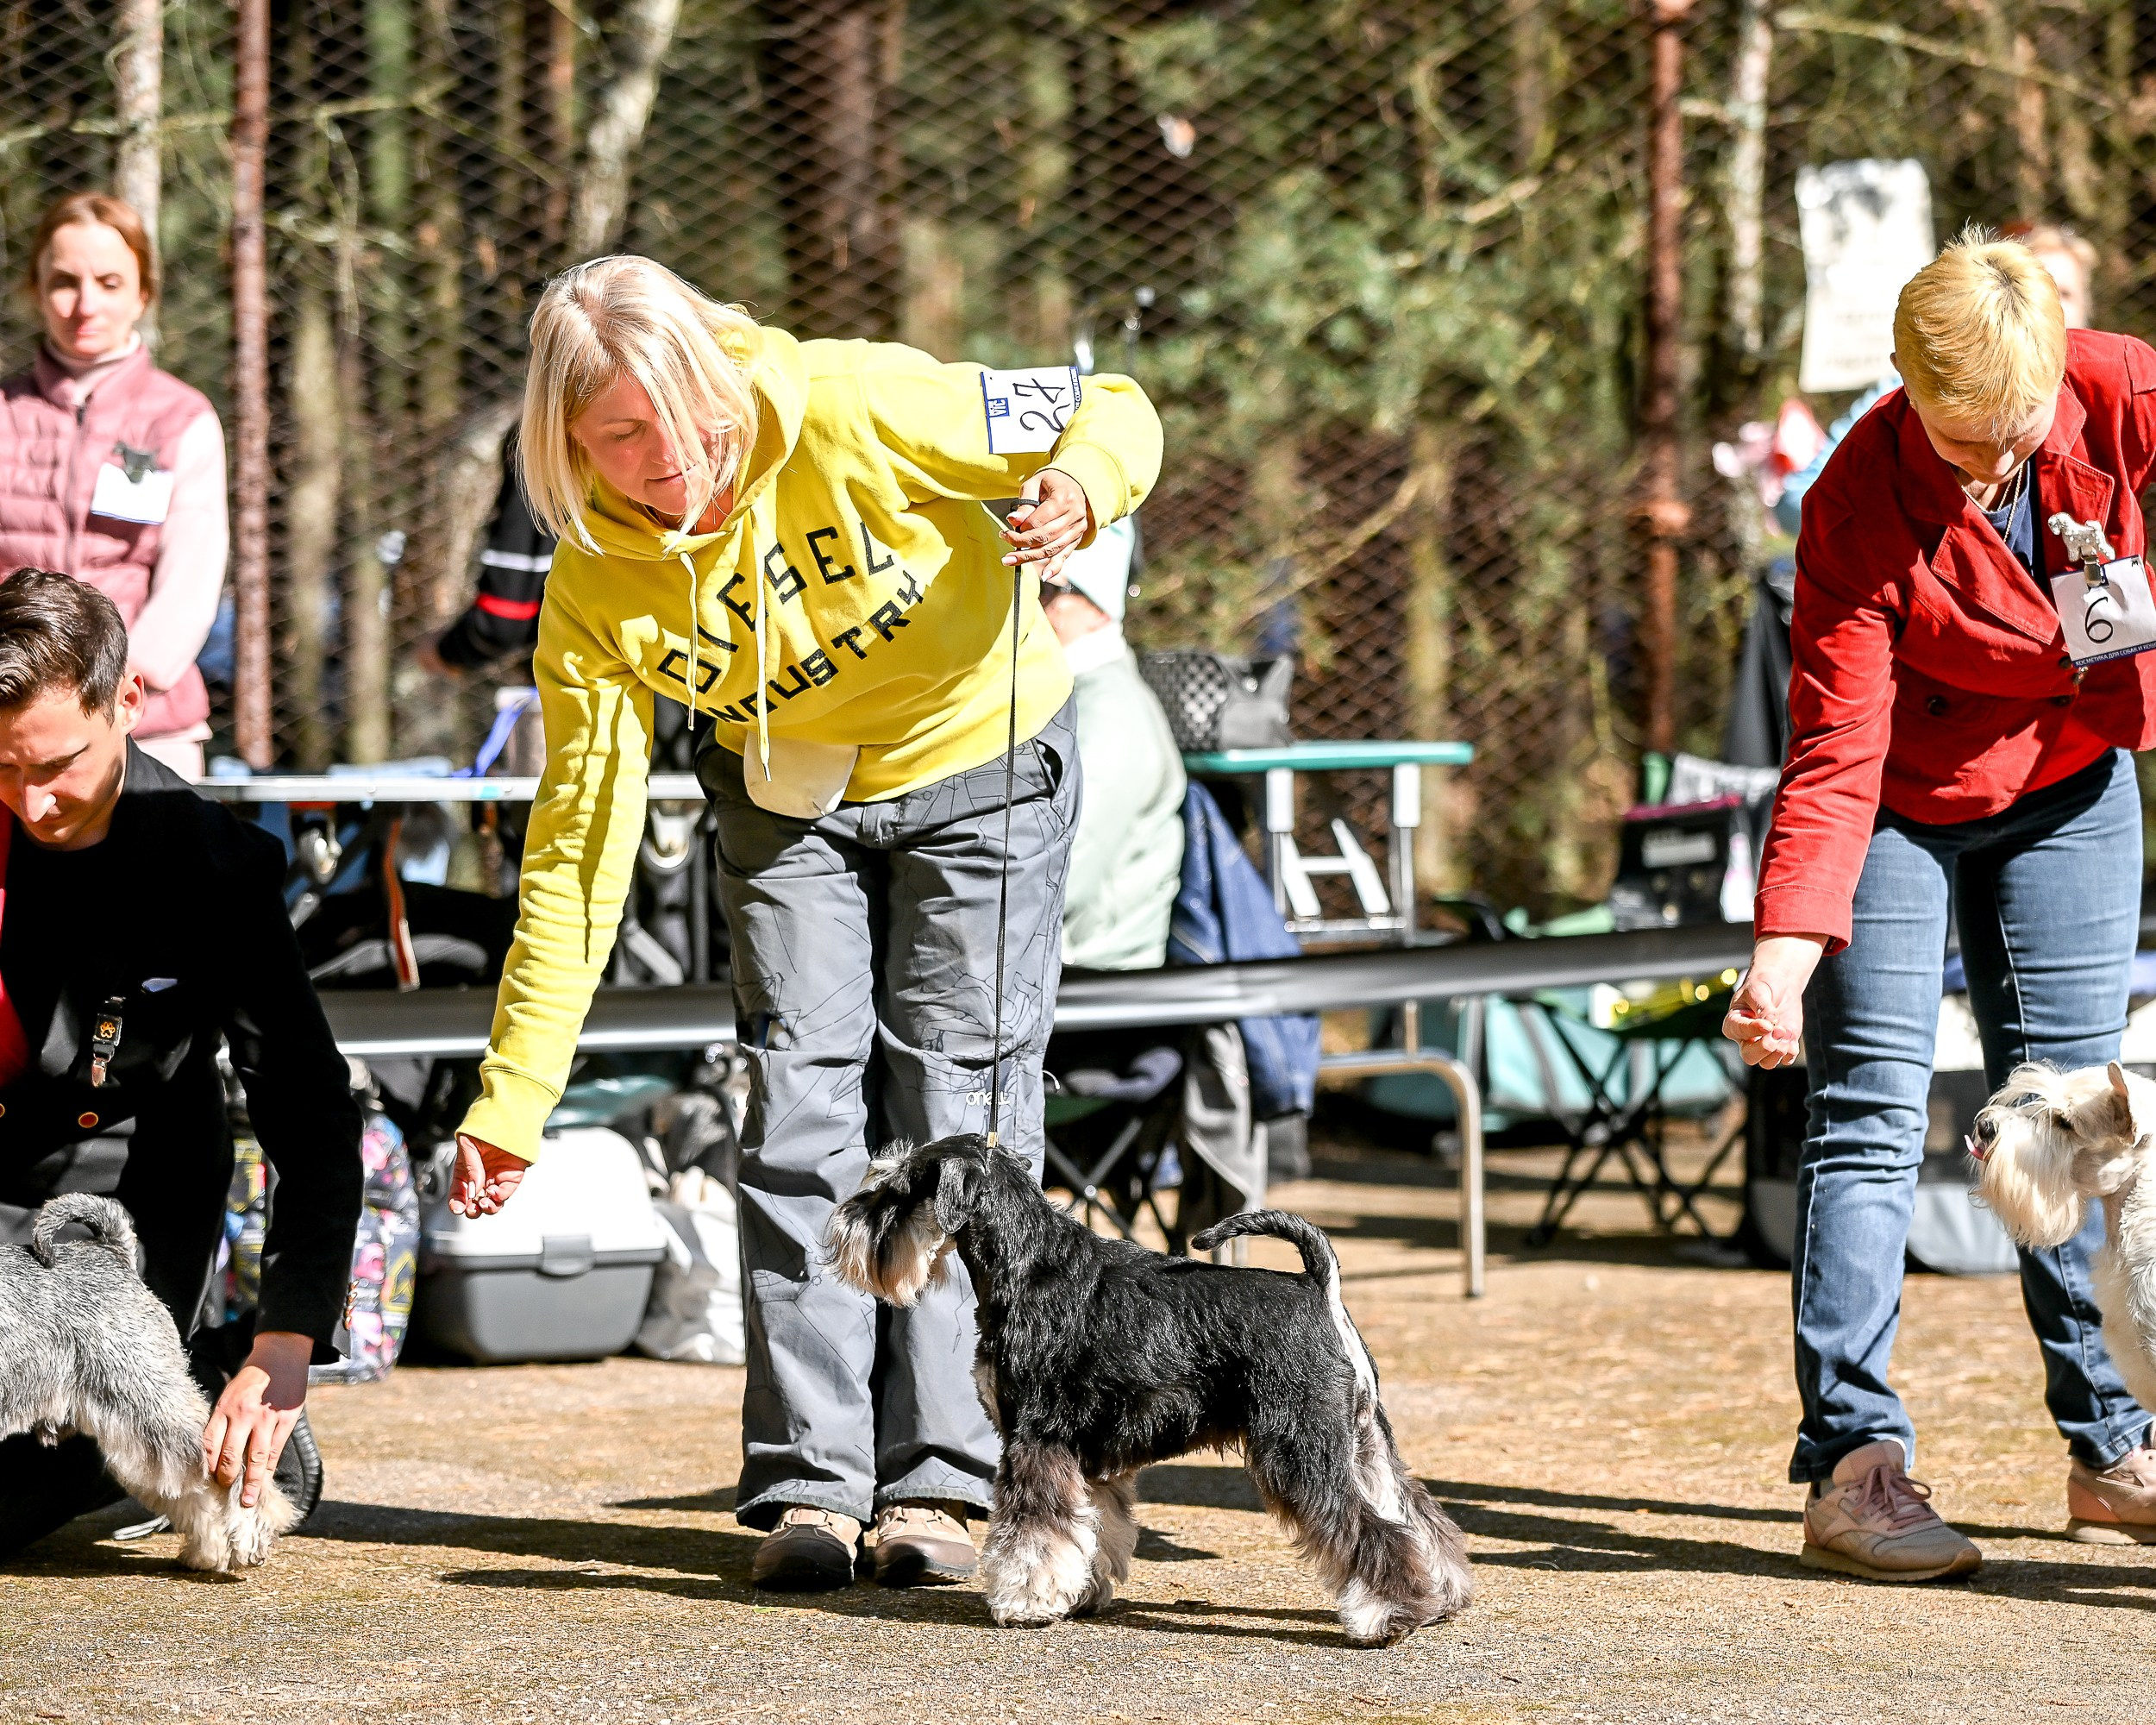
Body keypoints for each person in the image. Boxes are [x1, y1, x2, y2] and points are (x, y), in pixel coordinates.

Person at [444, 256, 1161, 1590]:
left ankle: (947, 1482)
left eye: (690, 417)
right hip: (787, 795)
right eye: (622, 437)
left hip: (983, 757)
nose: (672, 460)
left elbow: (1106, 402)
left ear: (722, 375)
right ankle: (815, 1489)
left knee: (962, 1111)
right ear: (565, 444)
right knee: (798, 1109)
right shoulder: (597, 580)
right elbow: (579, 846)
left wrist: (1082, 486)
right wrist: (515, 1094)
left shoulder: (856, 401)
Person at [1725, 231, 2156, 1578]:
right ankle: (1854, 1464)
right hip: (1901, 799)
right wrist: (1785, 953)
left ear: (2057, 365)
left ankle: (2114, 1444)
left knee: (2080, 1113)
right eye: (1955, 437)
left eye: (2012, 434)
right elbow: (1836, 750)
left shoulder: (2130, 393)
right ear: (1903, 385)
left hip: (2073, 773)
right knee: (1865, 1110)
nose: (1987, 467)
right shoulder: (1855, 499)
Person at [0, 570, 362, 1558]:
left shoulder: (216, 865)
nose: (31, 802)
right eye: (2, 768)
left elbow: (309, 1108)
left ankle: (197, 1385)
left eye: (60, 764)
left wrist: (286, 1338)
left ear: (129, 700)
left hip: (120, 1197)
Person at [0, 193, 227, 780]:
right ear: (36, 289)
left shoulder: (183, 419)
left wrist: (110, 689)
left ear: (143, 293)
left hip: (145, 723)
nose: (85, 304)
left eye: (109, 282)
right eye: (64, 282)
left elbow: (190, 581)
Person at [1775, 222, 2098, 538]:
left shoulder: (2110, 394)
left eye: (2063, 294)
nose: (2043, 308)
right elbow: (1798, 501)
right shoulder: (1910, 392)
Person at [1040, 516, 1185, 970]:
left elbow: (1066, 870)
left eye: (1048, 594)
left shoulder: (1110, 713)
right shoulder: (1068, 696)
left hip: (1097, 976)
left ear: (1099, 608)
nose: (1028, 607)